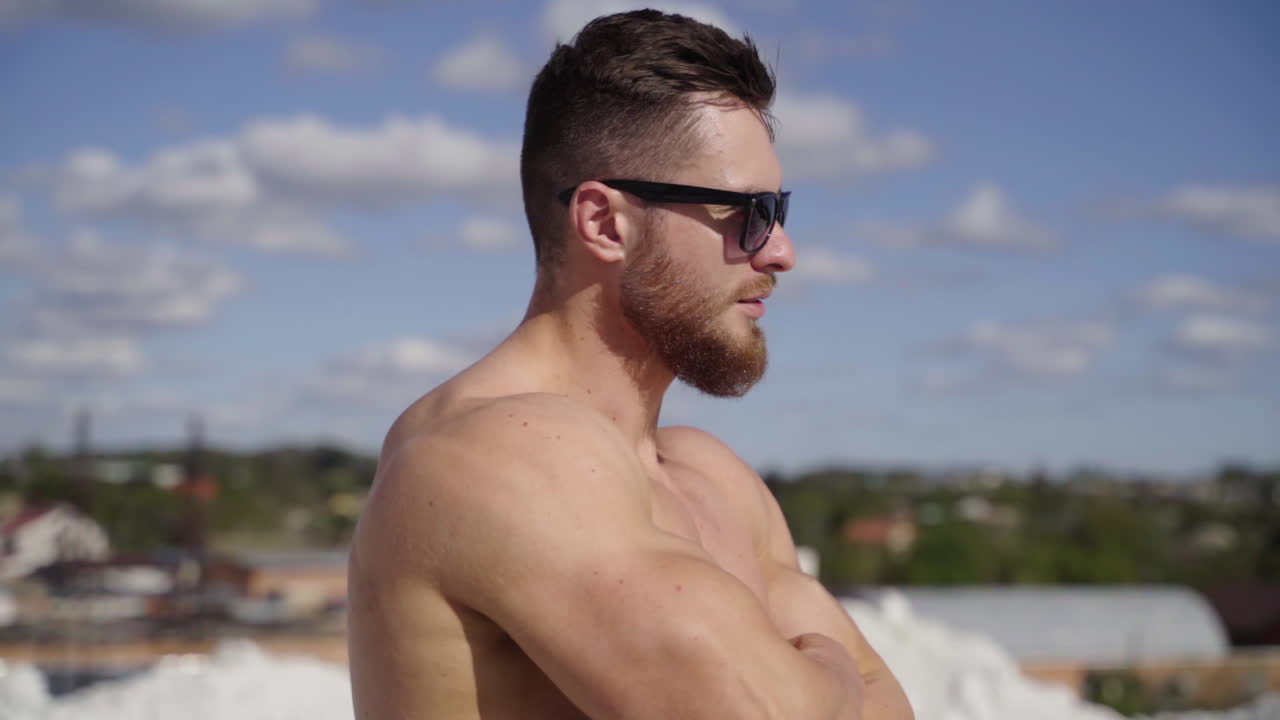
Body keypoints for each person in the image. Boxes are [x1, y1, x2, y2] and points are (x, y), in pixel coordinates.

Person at [347, 9, 913, 719]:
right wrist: (827, 663)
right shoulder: (491, 453)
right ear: (606, 223)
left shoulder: (712, 477)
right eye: (749, 212)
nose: (779, 252)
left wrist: (815, 685)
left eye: (780, 210)